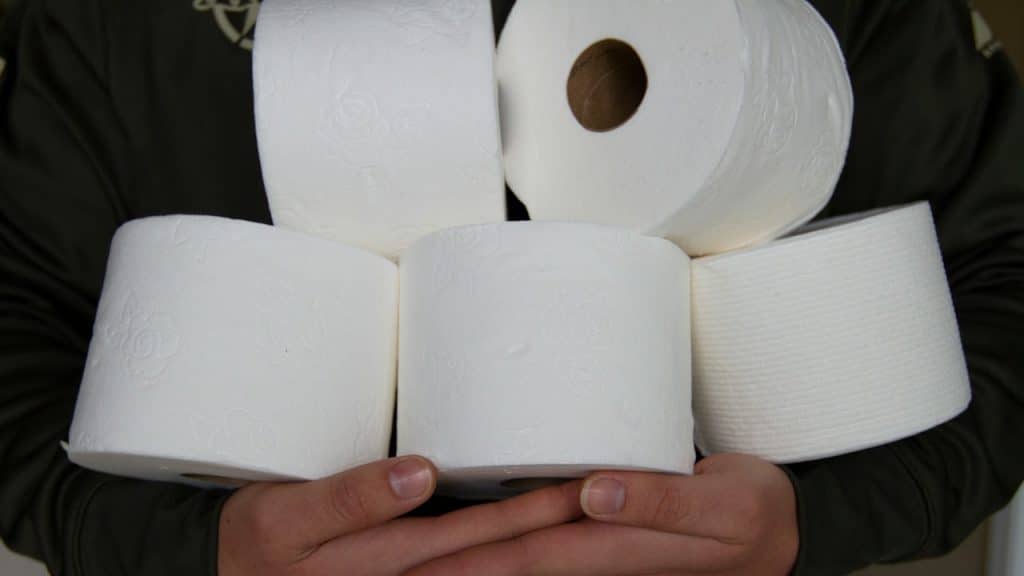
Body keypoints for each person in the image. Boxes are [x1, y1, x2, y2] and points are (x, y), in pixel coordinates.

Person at [0, 0, 1021, 574]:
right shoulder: (113, 28)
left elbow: (1005, 276)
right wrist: (199, 554)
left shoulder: (828, 24)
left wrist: (808, 523)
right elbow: (19, 331)